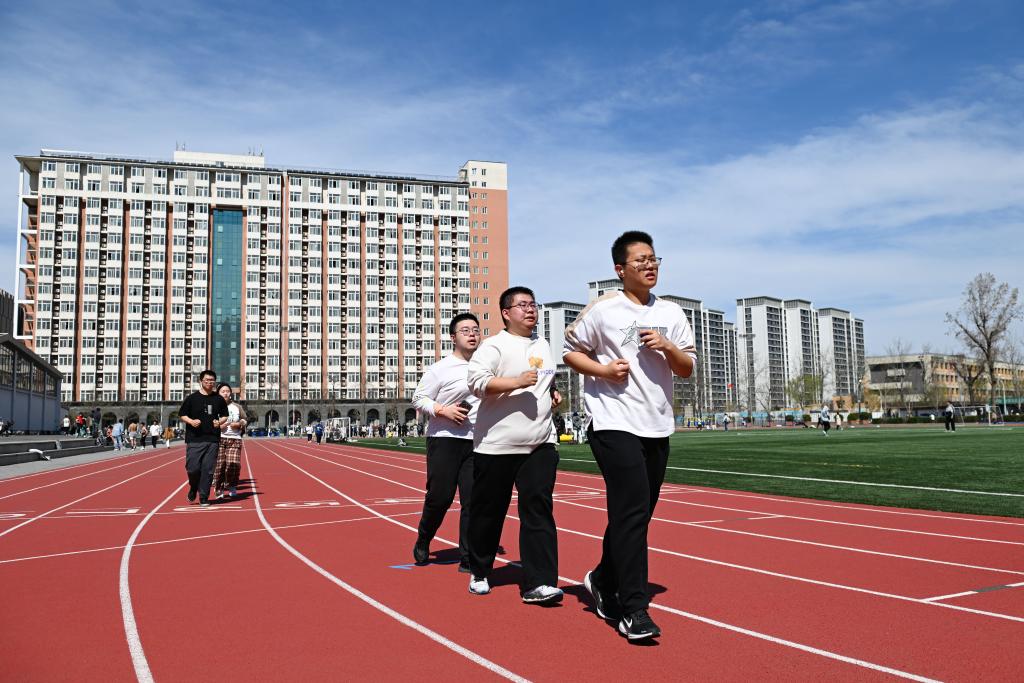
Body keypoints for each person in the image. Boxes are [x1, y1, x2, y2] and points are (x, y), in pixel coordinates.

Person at [563, 230, 696, 641]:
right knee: (633, 512)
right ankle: (634, 609)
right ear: (620, 269)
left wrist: (667, 346)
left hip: (656, 424)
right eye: (640, 260)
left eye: (654, 259)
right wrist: (602, 371)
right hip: (612, 422)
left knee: (634, 514)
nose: (649, 265)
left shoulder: (672, 312)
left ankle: (603, 579)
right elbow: (570, 351)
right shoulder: (604, 309)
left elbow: (686, 368)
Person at [466, 286, 563, 604]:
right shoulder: (493, 346)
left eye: (533, 304)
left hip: (540, 443)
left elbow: (545, 378)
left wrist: (552, 392)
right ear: (506, 313)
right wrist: (516, 382)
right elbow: (476, 382)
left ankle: (540, 582)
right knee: (489, 512)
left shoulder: (543, 345)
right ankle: (480, 570)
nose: (530, 309)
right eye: (522, 305)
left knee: (538, 510)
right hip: (497, 444)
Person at [411, 312, 481, 573]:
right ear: (453, 338)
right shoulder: (440, 369)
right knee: (440, 497)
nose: (472, 334)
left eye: (476, 330)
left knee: (473, 500)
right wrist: (443, 410)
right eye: (466, 330)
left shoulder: (487, 366)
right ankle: (424, 537)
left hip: (477, 441)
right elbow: (419, 399)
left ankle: (468, 556)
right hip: (444, 440)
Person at [178, 369, 229, 507]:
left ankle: (204, 496)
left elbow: (225, 415)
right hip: (194, 438)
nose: (210, 382)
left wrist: (219, 422)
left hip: (212, 438)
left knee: (208, 469)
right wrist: (191, 421)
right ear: (201, 381)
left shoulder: (218, 399)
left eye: (212, 380)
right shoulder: (192, 398)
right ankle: (194, 486)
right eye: (207, 380)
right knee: (192, 468)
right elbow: (182, 414)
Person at [212, 382, 246, 498]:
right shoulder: (214, 406)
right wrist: (218, 426)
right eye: (223, 391)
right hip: (219, 439)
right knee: (219, 465)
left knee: (233, 464)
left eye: (227, 391)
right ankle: (219, 488)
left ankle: (232, 486)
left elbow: (244, 419)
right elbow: (209, 422)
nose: (225, 393)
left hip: (234, 439)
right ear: (218, 393)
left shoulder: (237, 407)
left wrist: (239, 424)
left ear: (230, 393)